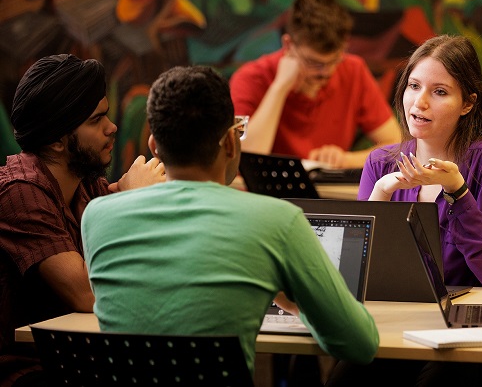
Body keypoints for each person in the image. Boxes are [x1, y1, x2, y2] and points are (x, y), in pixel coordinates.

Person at [81, 66, 379, 378]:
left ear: (155, 146)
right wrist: (295, 304)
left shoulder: (97, 216)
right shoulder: (277, 220)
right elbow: (359, 344)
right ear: (229, 143)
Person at [327, 35, 482, 387]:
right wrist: (381, 192)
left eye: (439, 92)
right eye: (414, 86)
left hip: (470, 331)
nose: (419, 103)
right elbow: (355, 273)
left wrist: (458, 191)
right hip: (400, 323)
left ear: (468, 104)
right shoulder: (380, 162)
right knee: (346, 378)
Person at [0, 54, 165, 387]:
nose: (112, 127)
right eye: (96, 120)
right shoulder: (20, 192)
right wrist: (135, 199)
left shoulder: (83, 181)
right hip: (26, 372)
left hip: (77, 359)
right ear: (58, 141)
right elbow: (88, 295)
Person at [230, 0, 401, 169]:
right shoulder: (249, 78)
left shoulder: (353, 69)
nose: (326, 72)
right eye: (313, 62)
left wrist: (344, 160)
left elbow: (395, 145)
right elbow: (244, 157)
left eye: (335, 59)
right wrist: (279, 88)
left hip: (327, 193)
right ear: (288, 45)